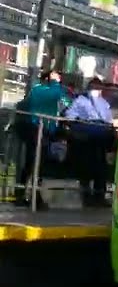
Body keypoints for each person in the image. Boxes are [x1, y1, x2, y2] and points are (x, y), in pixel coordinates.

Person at [12, 70, 69, 206]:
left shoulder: (56, 90)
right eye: (55, 77)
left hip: (46, 130)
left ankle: (33, 196)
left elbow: (66, 101)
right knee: (33, 163)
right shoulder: (38, 90)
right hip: (35, 128)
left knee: (38, 164)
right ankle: (25, 196)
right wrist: (55, 82)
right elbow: (53, 95)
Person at [64, 78, 116, 207]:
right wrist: (80, 122)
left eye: (99, 87)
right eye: (94, 87)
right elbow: (69, 115)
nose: (96, 90)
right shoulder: (81, 101)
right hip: (86, 138)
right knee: (86, 167)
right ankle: (86, 196)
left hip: (101, 137)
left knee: (101, 167)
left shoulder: (104, 103)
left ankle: (99, 196)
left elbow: (108, 120)